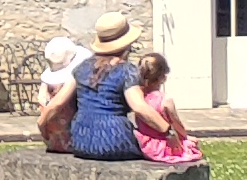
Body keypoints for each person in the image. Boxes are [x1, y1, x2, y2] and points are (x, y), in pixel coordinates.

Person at [39, 11, 159, 161]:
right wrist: (168, 130)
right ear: (128, 44)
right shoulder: (127, 70)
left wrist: (42, 125)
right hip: (115, 141)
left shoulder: (81, 68)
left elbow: (57, 103)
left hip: (81, 142)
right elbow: (139, 107)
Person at [131, 53, 204, 164]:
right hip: (164, 146)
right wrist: (185, 137)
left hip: (145, 145)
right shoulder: (165, 101)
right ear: (163, 78)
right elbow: (177, 125)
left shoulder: (139, 99)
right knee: (191, 144)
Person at [36, 31, 88, 152]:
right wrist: (42, 123)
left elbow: (47, 101)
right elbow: (57, 104)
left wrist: (42, 123)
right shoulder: (73, 80)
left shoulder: (48, 88)